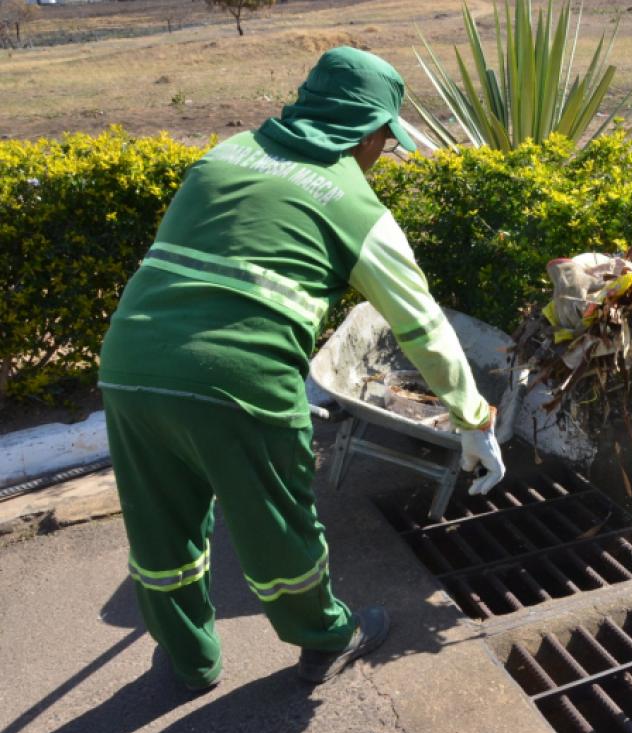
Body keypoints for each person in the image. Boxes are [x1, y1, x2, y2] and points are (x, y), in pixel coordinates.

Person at [98, 47, 505, 691]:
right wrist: (473, 415)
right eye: (383, 139)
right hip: (242, 379)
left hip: (128, 361)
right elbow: (422, 325)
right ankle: (325, 638)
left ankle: (189, 657)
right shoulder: (353, 205)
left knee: (160, 525)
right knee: (277, 525)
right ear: (365, 130)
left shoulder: (225, 153)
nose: (381, 154)